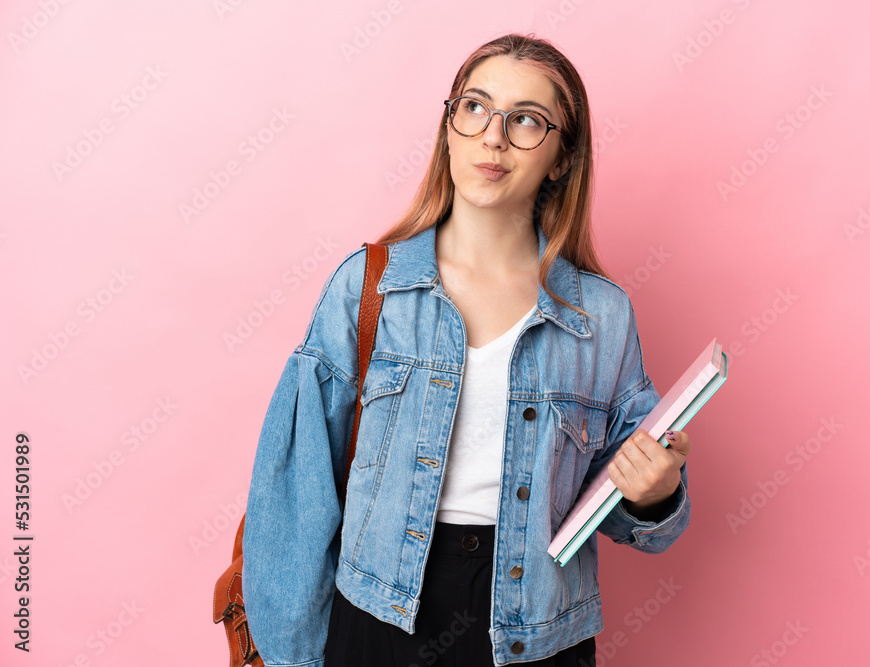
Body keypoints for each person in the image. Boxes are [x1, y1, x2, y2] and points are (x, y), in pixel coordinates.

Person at [243, 33, 692, 667]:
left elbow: (625, 510)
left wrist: (655, 492)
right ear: (449, 126)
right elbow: (296, 488)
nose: (493, 137)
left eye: (527, 121)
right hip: (379, 618)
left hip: (538, 631)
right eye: (475, 108)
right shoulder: (370, 288)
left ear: (563, 157)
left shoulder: (601, 315)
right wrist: (291, 656)